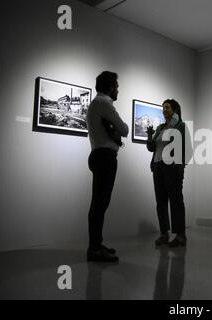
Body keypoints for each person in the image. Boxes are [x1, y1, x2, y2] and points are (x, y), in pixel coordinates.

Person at [86, 71, 129, 262]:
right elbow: (125, 129)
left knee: (99, 203)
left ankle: (96, 244)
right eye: (117, 86)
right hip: (105, 157)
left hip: (99, 155)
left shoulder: (97, 104)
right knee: (99, 204)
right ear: (110, 86)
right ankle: (94, 249)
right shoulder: (104, 103)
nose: (118, 89)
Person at [147, 99, 191, 247]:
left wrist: (180, 166)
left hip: (172, 167)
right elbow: (151, 147)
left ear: (175, 109)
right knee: (160, 201)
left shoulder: (180, 126)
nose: (164, 110)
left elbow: (188, 149)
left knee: (176, 201)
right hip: (158, 167)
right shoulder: (160, 128)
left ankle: (180, 235)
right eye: (163, 108)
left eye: (167, 107)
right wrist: (149, 135)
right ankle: (164, 234)